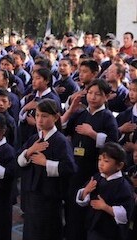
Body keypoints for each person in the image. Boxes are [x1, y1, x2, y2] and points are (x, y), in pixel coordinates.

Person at [63, 79, 119, 240]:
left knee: (87, 209)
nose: (93, 97)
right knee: (71, 205)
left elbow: (113, 144)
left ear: (106, 97)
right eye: (90, 93)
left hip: (94, 170)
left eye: (98, 94)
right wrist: (71, 109)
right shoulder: (81, 113)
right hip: (75, 167)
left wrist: (93, 134)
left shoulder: (107, 117)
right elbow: (62, 127)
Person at [18, 99, 76, 240]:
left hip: (49, 197)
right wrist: (29, 151)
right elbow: (18, 161)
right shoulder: (34, 139)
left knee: (46, 232)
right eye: (37, 115)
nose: (39, 120)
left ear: (55, 117)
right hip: (32, 195)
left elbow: (70, 168)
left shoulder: (60, 141)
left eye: (44, 116)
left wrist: (46, 163)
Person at [76, 142, 135, 240]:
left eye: (106, 161)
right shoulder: (97, 177)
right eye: (99, 159)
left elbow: (125, 214)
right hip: (93, 227)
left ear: (119, 165)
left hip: (110, 231)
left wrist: (106, 207)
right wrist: (86, 191)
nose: (101, 164)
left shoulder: (123, 186)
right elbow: (83, 199)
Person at [19, 67, 61, 144]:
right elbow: (22, 118)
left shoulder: (52, 99)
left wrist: (36, 123)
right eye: (33, 78)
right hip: (28, 136)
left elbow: (56, 123)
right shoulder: (32, 97)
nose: (34, 81)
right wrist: (25, 108)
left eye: (37, 78)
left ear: (47, 81)